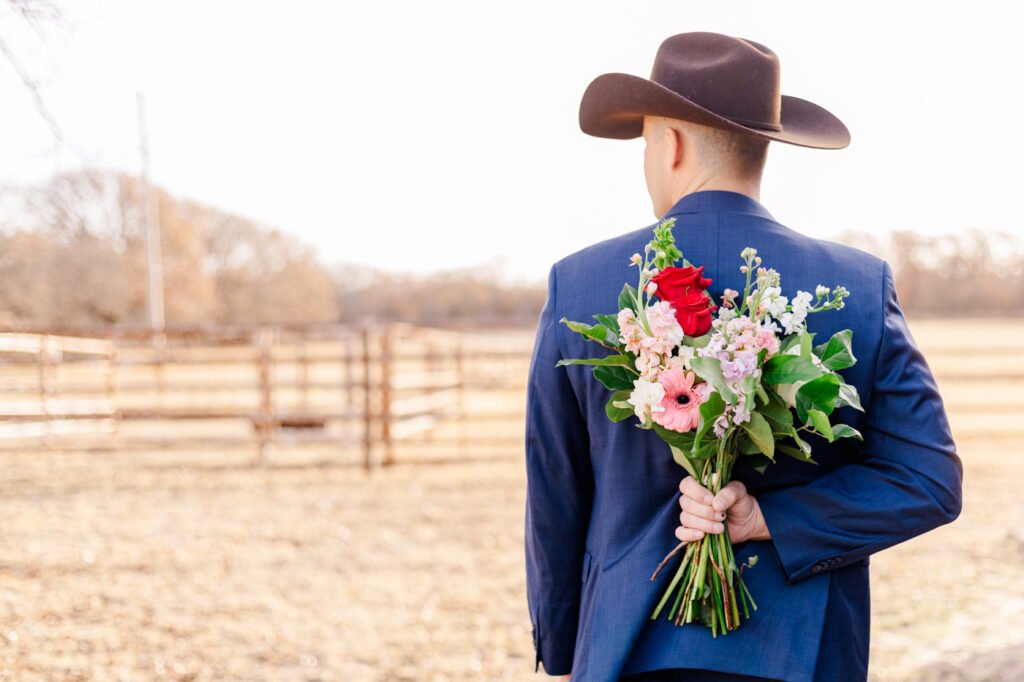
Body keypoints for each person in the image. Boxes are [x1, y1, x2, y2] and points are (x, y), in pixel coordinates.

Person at [523, 31, 963, 681]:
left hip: (624, 654)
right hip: (803, 654)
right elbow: (927, 480)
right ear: (767, 145)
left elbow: (555, 493)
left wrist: (563, 653)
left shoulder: (581, 283)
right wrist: (770, 519)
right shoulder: (858, 285)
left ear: (667, 144)